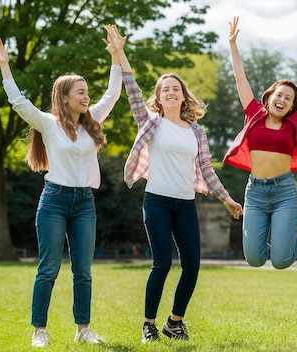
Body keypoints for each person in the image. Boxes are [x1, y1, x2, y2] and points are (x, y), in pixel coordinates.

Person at [104, 25, 243, 342]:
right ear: (158, 96)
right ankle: (149, 324)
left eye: (175, 88)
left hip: (185, 204)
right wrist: (121, 52)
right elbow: (132, 88)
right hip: (157, 201)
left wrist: (227, 199)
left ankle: (174, 322)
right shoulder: (150, 121)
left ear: (183, 96)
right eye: (164, 88)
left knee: (192, 265)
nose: (170, 92)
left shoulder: (197, 132)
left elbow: (206, 170)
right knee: (162, 263)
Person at [0, 26, 122, 347]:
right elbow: (19, 103)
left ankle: (83, 330)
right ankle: (40, 330)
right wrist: (5, 64)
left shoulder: (92, 122)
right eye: (79, 91)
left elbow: (113, 92)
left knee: (83, 272)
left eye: (86, 90)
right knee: (48, 268)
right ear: (64, 98)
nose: (86, 95)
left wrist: (116, 54)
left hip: (85, 204)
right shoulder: (48, 124)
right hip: (54, 201)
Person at [223, 16, 297, 269]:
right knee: (254, 259)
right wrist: (233, 44)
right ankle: (293, 237)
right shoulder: (254, 113)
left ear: (292, 105)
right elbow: (240, 78)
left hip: (284, 192)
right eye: (279, 94)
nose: (283, 99)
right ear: (269, 98)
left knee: (280, 260)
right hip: (254, 192)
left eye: (289, 98)